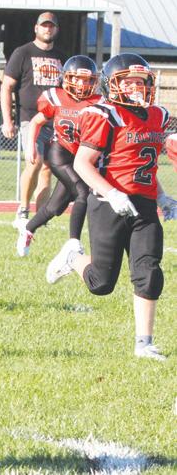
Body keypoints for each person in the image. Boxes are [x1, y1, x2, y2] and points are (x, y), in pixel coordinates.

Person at [46, 53, 173, 362]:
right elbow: (82, 163)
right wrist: (112, 193)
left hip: (144, 205)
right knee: (101, 283)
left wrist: (163, 197)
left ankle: (144, 344)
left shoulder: (157, 115)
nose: (135, 87)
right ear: (112, 85)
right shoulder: (104, 114)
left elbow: (143, 165)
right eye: (128, 82)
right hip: (107, 203)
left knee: (149, 272)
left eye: (140, 82)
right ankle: (73, 258)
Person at [15, 55, 101, 257]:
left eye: (87, 80)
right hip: (60, 154)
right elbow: (36, 121)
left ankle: (28, 229)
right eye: (78, 79)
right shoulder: (56, 96)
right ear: (67, 78)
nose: (82, 84)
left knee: (55, 207)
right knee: (83, 193)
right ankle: (74, 242)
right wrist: (30, 147)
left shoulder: (98, 102)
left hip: (82, 157)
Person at [2, 11, 67, 228]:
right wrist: (8, 120)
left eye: (51, 26)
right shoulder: (23, 53)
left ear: (56, 29)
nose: (47, 29)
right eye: (44, 25)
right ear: (36, 28)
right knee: (35, 161)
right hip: (30, 119)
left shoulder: (61, 56)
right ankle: (22, 209)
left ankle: (40, 218)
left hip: (55, 120)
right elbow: (7, 86)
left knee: (49, 168)